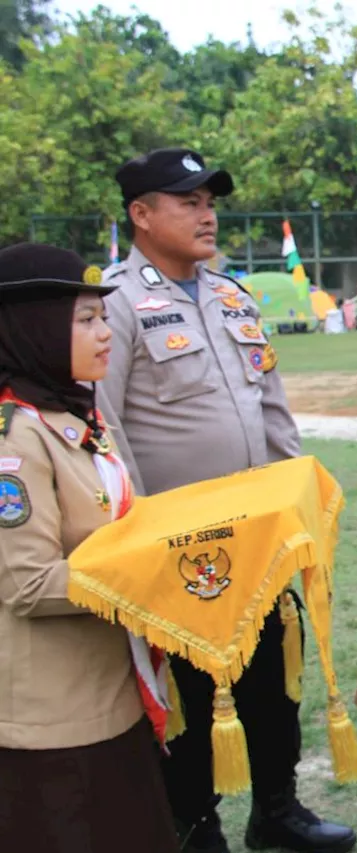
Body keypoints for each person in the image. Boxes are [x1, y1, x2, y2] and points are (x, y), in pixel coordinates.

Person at [96, 147, 356, 853]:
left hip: (259, 538)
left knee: (274, 677)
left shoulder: (233, 297)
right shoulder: (115, 305)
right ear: (141, 214)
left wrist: (294, 503)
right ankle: (193, 819)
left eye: (210, 201)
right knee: (187, 689)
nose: (207, 214)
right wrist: (138, 535)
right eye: (188, 202)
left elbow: (272, 408)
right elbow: (108, 427)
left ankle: (277, 806)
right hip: (177, 549)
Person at [0, 243, 179, 853]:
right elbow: (28, 585)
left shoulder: (72, 413)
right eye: (86, 319)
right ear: (35, 328)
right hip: (57, 721)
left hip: (114, 690)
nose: (106, 333)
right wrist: (152, 575)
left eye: (103, 317)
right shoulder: (16, 439)